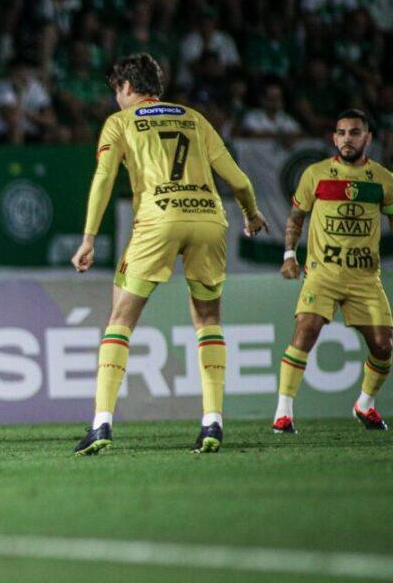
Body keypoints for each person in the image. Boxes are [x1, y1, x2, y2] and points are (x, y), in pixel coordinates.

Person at [71, 53, 267, 455]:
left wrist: (89, 237)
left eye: (116, 92)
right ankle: (212, 422)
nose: (116, 100)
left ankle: (101, 424)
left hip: (158, 220)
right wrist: (251, 213)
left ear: (127, 87)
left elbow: (104, 179)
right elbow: (239, 180)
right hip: (209, 219)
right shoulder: (195, 118)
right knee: (209, 319)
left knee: (120, 319)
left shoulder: (121, 122)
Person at [272, 110, 393, 434]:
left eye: (354, 133)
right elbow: (296, 217)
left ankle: (364, 405)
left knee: (383, 347)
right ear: (333, 138)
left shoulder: (383, 179)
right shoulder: (316, 174)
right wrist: (289, 255)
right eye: (341, 132)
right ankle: (283, 413)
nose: (347, 138)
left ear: (367, 138)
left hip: (365, 278)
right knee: (305, 332)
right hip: (322, 274)